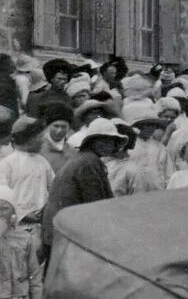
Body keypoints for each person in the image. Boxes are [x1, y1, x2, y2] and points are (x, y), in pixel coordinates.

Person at [42, 118, 125, 261]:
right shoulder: (88, 162)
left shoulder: (86, 159)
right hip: (64, 231)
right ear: (92, 142)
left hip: (59, 228)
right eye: (104, 140)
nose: (109, 145)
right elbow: (95, 203)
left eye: (111, 141)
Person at [0, 117, 55, 226]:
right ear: (29, 138)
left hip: (41, 222)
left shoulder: (42, 161)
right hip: (16, 225)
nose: (43, 141)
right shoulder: (7, 163)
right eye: (40, 137)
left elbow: (53, 187)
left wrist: (46, 210)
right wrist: (23, 214)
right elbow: (2, 197)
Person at [105, 120, 158, 196]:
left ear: (121, 144)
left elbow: (138, 199)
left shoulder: (133, 171)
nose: (106, 145)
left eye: (110, 141)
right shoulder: (105, 164)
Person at [37, 102, 75, 174]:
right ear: (48, 126)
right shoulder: (38, 147)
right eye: (56, 126)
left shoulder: (72, 150)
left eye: (63, 127)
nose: (59, 131)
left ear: (69, 128)